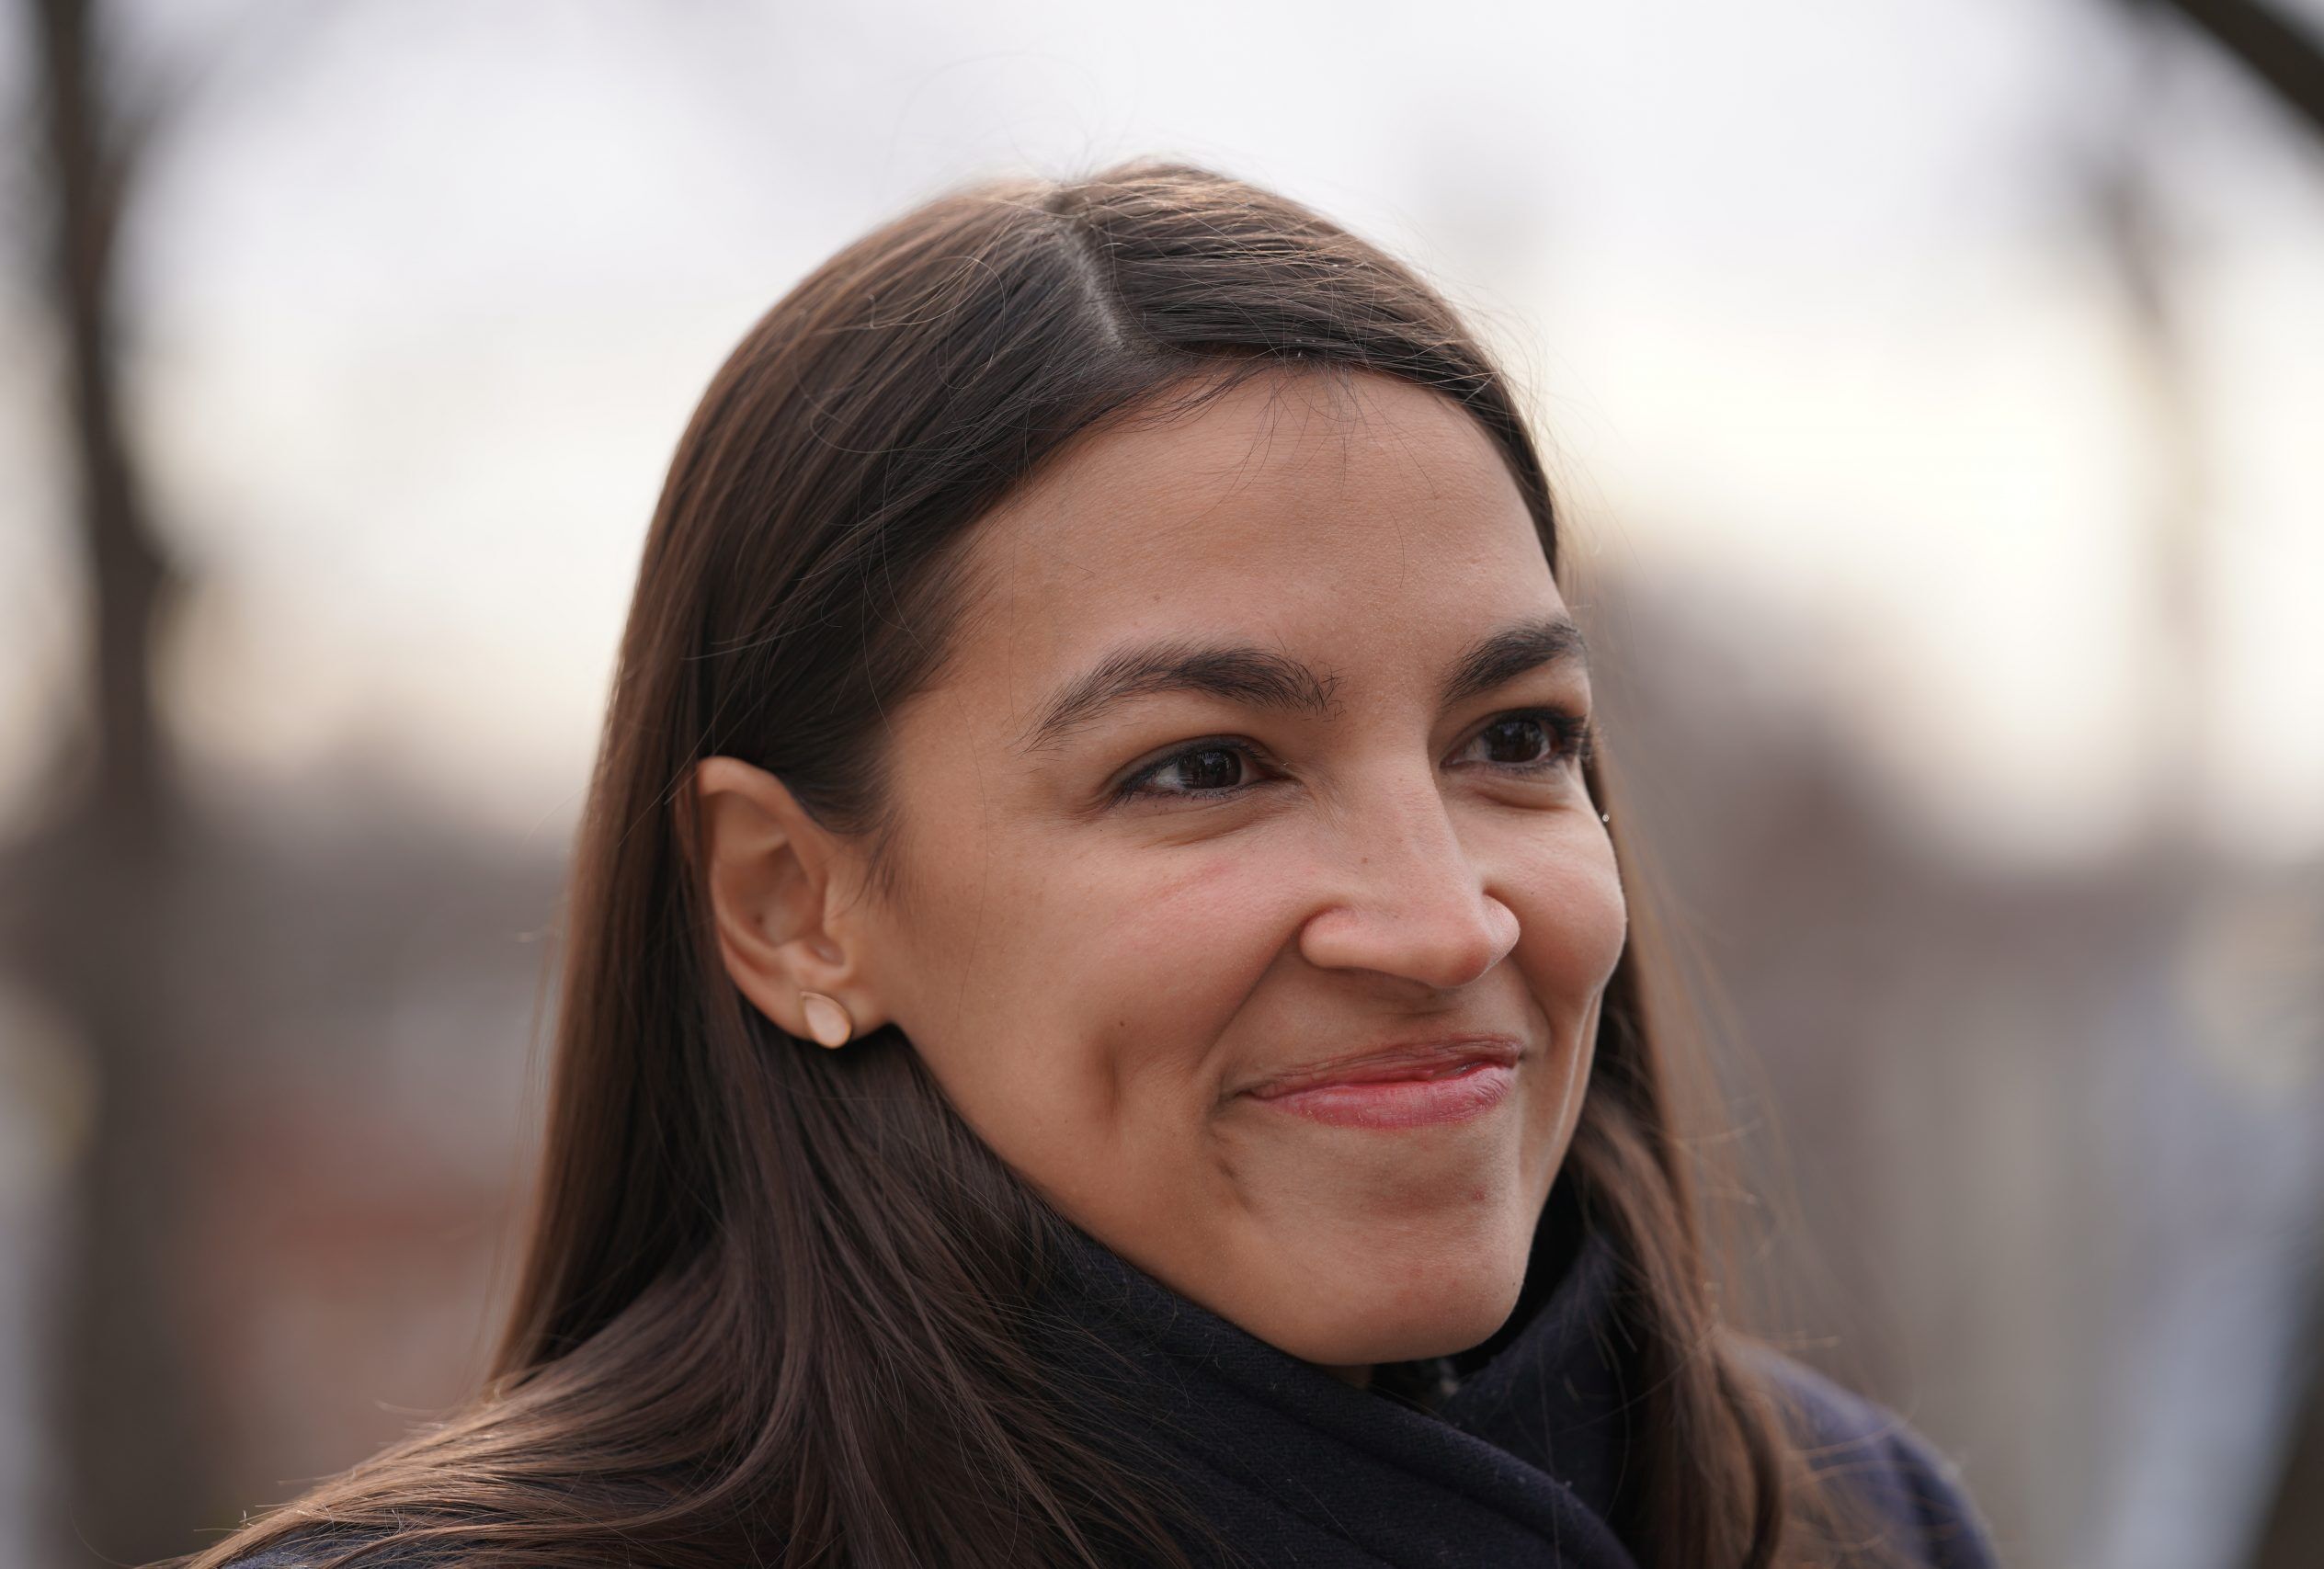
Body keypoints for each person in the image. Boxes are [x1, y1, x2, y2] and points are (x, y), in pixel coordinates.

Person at [173, 159, 2001, 1569]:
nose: (1442, 917)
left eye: (1510, 737)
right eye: (1204, 765)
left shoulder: (1844, 1521)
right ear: (788, 899)